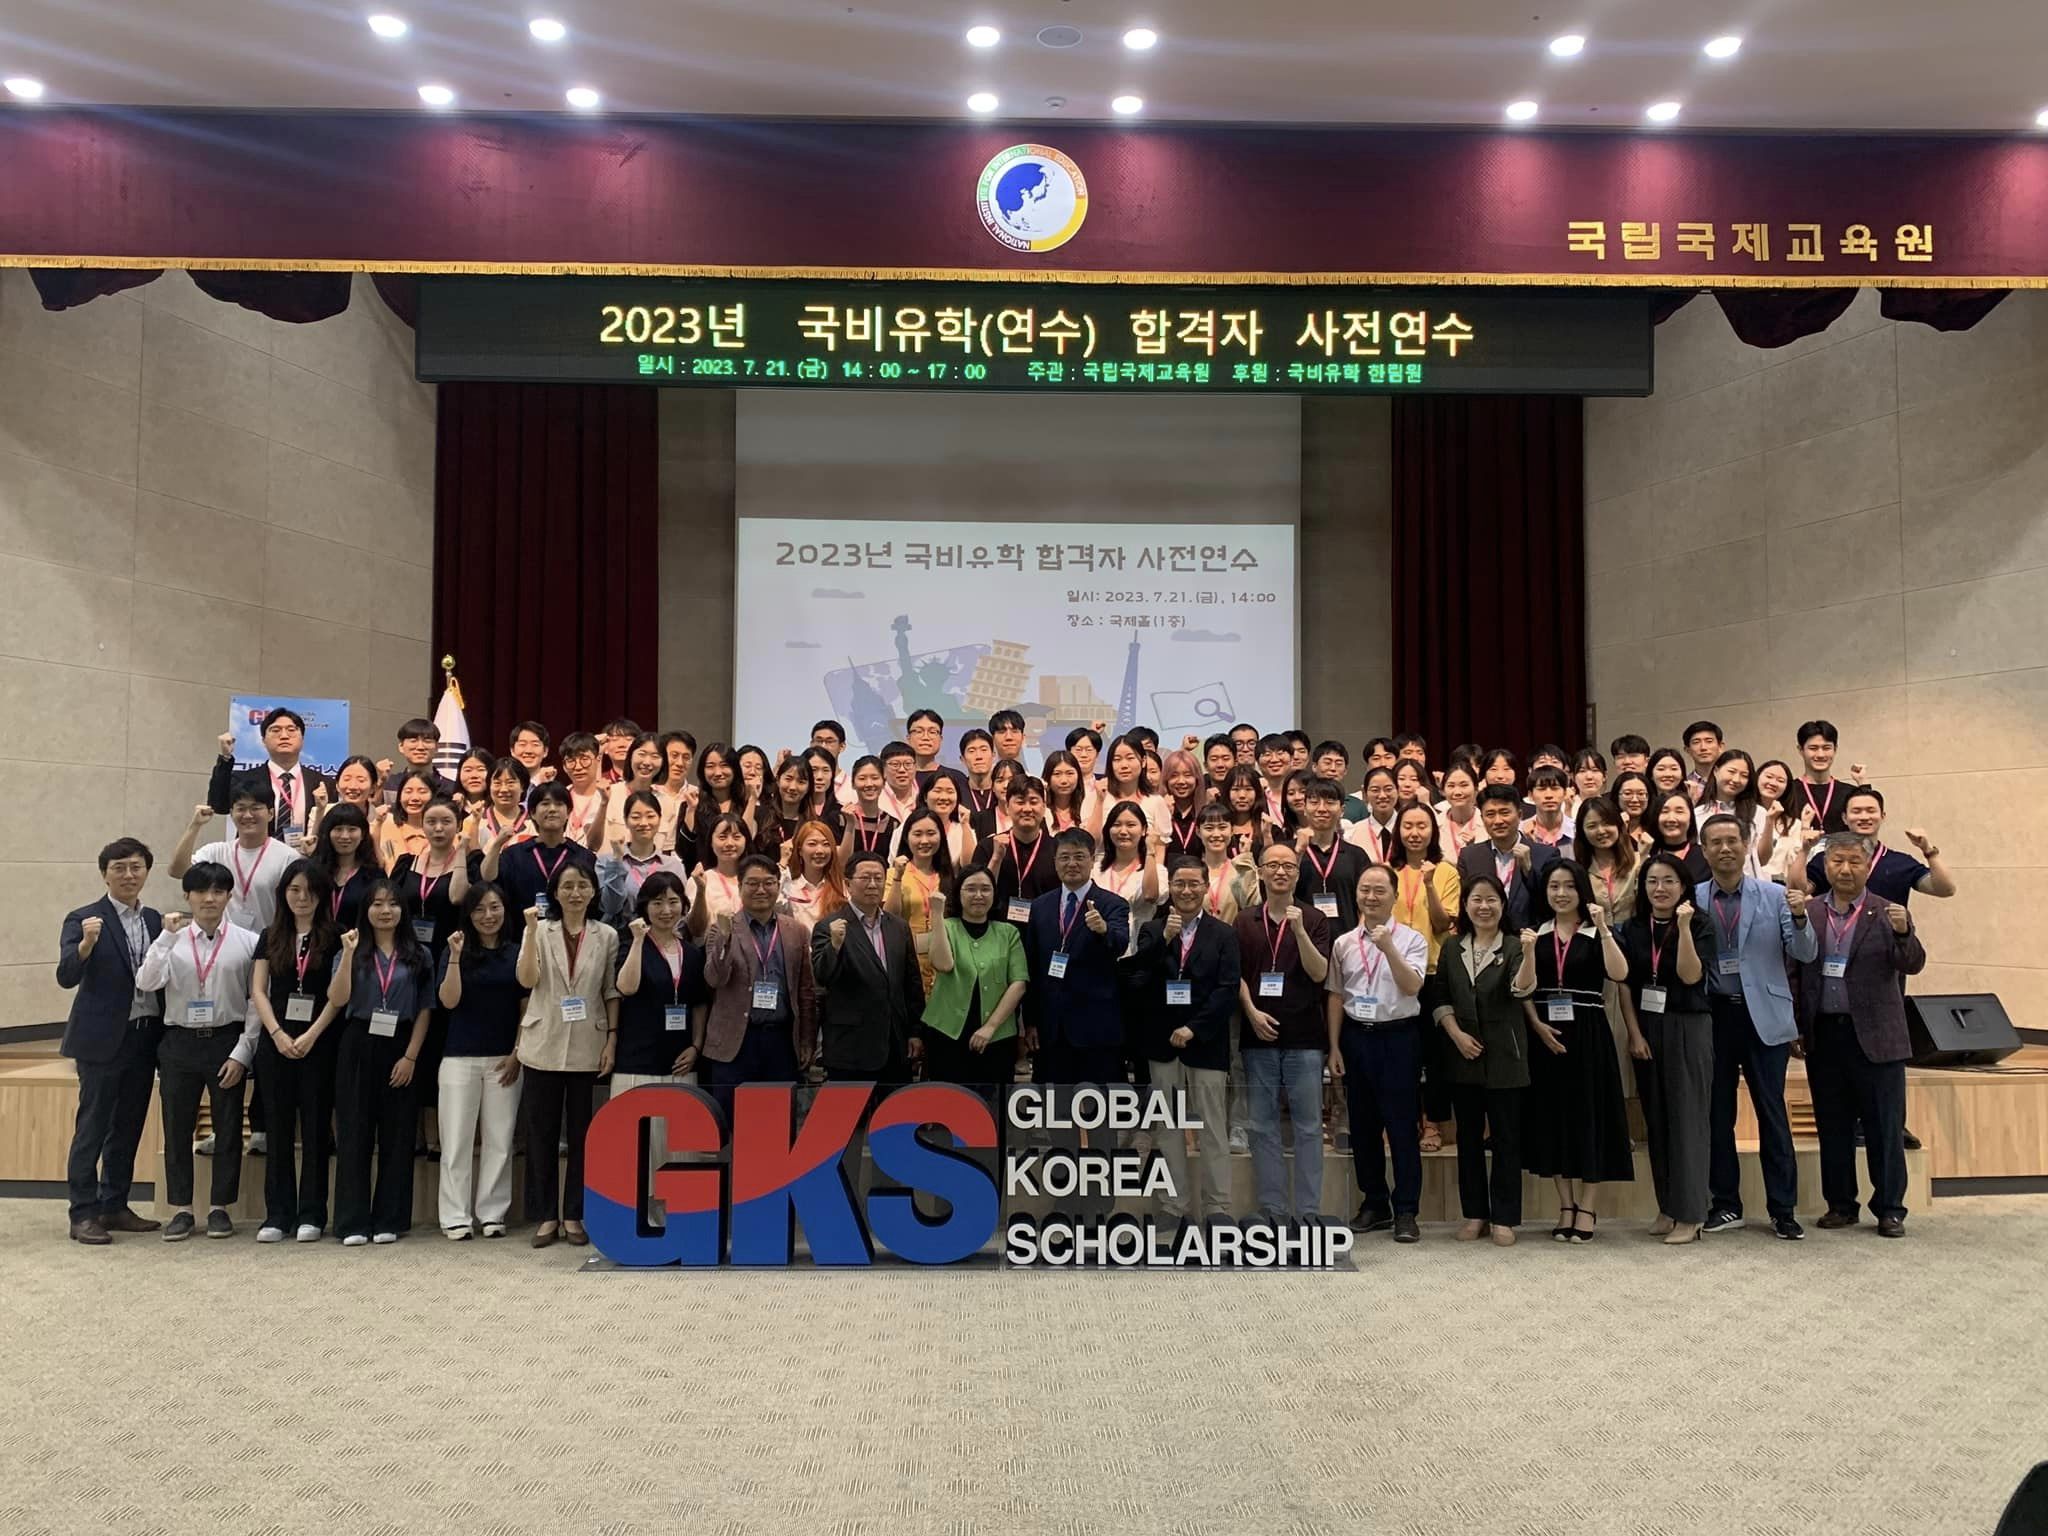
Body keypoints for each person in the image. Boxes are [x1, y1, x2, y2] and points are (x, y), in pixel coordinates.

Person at [1799, 834, 1926, 1238]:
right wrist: (1797, 1026)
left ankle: (1890, 1208)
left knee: (1884, 1127)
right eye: (1837, 861)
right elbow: (1796, 970)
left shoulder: (1888, 911)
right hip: (1825, 1034)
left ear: (1868, 867)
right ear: (1825, 866)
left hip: (1877, 1037)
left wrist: (1904, 933)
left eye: (1855, 861)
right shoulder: (1810, 912)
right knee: (1832, 1124)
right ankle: (1840, 1205)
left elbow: (1913, 964)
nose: (1845, 869)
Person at [1697, 812, 1816, 1240]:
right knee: (1718, 1115)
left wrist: (1800, 918)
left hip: (1763, 1014)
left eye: (1732, 840)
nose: (1725, 849)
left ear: (1746, 845)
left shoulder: (1775, 895)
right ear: (1704, 850)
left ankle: (1783, 1209)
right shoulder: (1692, 898)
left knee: (1772, 1113)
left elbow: (1804, 953)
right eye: (1715, 842)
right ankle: (1726, 1204)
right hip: (1714, 1015)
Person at [136, 862, 260, 1240]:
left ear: (228, 896)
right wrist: (164, 938)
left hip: (226, 1040)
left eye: (218, 891)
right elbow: (146, 981)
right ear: (187, 896)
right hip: (179, 1041)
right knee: (176, 1127)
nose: (209, 898)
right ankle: (181, 1209)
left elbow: (256, 1001)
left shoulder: (247, 941)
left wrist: (243, 1052)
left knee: (228, 1128)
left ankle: (221, 1207)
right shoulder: (171, 940)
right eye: (201, 891)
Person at [56, 837, 165, 1244]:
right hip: (101, 1041)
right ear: (105, 874)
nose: (128, 875)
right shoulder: (83, 918)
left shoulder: (154, 920)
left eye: (136, 867)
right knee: (93, 1128)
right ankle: (83, 1213)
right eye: (119, 868)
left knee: (128, 1127)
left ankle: (114, 1205)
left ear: (146, 872)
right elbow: (66, 975)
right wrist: (85, 946)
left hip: (144, 1037)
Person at [1519, 860, 1633, 1243]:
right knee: (1554, 1119)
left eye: (1569, 886)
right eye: (1554, 886)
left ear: (1581, 890)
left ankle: (1588, 1206)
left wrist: (1604, 928)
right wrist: (1536, 1025)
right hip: (1546, 1032)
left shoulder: (1594, 931)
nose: (1561, 893)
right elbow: (1523, 989)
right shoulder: (1537, 933)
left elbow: (1619, 973)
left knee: (1590, 1116)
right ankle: (1565, 1205)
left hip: (1588, 1032)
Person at [514, 860, 619, 1248]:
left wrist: (611, 1040)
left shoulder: (606, 935)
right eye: (568, 886)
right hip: (543, 1042)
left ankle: (574, 1213)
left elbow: (611, 990)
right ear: (555, 893)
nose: (576, 892)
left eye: (583, 885)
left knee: (582, 1136)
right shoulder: (539, 929)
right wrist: (529, 932)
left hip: (588, 1044)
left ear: (593, 891)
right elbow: (527, 979)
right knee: (540, 1134)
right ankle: (546, 1215)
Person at [1613, 854, 1716, 1244]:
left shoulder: (1700, 924)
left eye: (1669, 881)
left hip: (1688, 1025)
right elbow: (1625, 984)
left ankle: (1692, 1214)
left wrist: (1684, 928)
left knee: (1687, 1120)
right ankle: (1668, 1206)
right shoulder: (1634, 928)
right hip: (1647, 1027)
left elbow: (1691, 976)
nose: (1660, 888)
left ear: (1684, 886)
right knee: (1657, 1122)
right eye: (1653, 881)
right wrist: (1634, 1034)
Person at [1135, 856, 1241, 1236]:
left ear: (1206, 886)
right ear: (1170, 887)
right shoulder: (1152, 929)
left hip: (1205, 1043)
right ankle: (1173, 1205)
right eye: (1179, 883)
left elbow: (1227, 989)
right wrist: (1163, 940)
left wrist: (1194, 1028)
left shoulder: (1223, 934)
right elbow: (1137, 979)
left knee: (1212, 1127)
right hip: (1162, 1043)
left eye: (1194, 883)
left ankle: (1217, 1207)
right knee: (1167, 1127)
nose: (1186, 890)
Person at [1326, 864, 1431, 1241]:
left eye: (1379, 890)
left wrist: (1387, 947)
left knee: (1401, 1127)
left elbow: (1411, 986)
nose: (1371, 897)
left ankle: (1406, 1210)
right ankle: (1375, 1203)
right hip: (1357, 1038)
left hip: (1398, 1038)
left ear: (1394, 896)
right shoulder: (1344, 943)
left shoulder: (1412, 940)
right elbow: (1337, 995)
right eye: (1365, 890)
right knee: (1363, 1127)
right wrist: (1334, 1046)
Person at [326, 878, 432, 1246]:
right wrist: (348, 955)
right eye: (377, 904)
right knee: (354, 1133)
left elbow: (425, 1009)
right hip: (358, 1041)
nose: (385, 911)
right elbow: (337, 998)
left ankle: (390, 1218)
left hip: (401, 1044)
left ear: (403, 910)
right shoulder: (351, 948)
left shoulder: (419, 954)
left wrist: (411, 1056)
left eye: (392, 903)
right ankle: (352, 1221)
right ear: (366, 910)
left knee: (398, 1135)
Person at [1234, 843, 1332, 1226]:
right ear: (1260, 871)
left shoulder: (1314, 918)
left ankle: (1307, 1212)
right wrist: (1251, 1012)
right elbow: (1237, 975)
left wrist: (1299, 931)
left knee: (1308, 1128)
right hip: (1257, 1037)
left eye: (1288, 865)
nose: (1280, 871)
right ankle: (1273, 1209)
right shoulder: (1244, 920)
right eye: (1272, 865)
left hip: (1305, 1038)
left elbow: (1319, 972)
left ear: (1297, 872)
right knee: (1262, 1126)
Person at [1432, 875, 1532, 1245]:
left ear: (1503, 905)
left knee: (1506, 1139)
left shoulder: (1515, 946)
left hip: (1506, 1056)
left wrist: (1530, 954)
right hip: (1463, 1056)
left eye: (1491, 899)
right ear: (1466, 905)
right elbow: (1440, 996)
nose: (1484, 906)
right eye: (1476, 899)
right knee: (1468, 1139)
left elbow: (1522, 989)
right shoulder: (1452, 946)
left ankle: (1504, 1217)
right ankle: (1476, 1213)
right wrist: (1456, 1034)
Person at [248, 860, 343, 1243]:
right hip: (277, 1043)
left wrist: (312, 1035)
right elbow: (258, 990)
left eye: (310, 891)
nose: (302, 898)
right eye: (294, 890)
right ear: (283, 894)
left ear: (323, 895)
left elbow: (339, 995)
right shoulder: (270, 935)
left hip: (320, 1042)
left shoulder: (337, 937)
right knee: (278, 1129)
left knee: (317, 1129)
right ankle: (278, 1214)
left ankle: (312, 1214)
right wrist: (276, 1033)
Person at [435, 882, 526, 1239]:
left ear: (505, 910)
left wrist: (517, 1053)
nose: (488, 916)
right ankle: (455, 1216)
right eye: (479, 909)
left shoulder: (517, 952)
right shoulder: (454, 949)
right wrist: (455, 957)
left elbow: (526, 1007)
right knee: (456, 1140)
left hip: (504, 1058)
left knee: (500, 1140)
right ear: (468, 914)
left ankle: (492, 1214)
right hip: (459, 1058)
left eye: (494, 907)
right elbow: (449, 1001)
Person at [700, 855, 817, 1114]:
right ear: (740, 886)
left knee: (778, 1121)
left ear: (778, 885)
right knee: (732, 1122)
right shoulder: (721, 929)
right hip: (736, 1043)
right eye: (752, 883)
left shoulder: (796, 931)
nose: (761, 890)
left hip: (781, 1041)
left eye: (768, 882)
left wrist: (806, 1039)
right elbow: (714, 979)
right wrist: (725, 939)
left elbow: (806, 991)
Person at [1022, 829, 1132, 1090]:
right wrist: (1031, 1021)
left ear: (1092, 860)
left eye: (1079, 857)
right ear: (1055, 862)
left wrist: (1103, 930)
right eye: (1065, 857)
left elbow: (1120, 944)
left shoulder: (1112, 904)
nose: (1071, 863)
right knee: (1056, 1106)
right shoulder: (1040, 906)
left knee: (1100, 1106)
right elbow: (1032, 966)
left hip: (1096, 1027)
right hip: (1051, 1028)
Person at [812, 849, 925, 1084]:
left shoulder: (898, 927)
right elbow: (822, 977)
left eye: (878, 878)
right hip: (851, 1048)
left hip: (895, 1044)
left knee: (896, 1107)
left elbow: (911, 983)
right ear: (848, 884)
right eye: (865, 878)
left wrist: (915, 1031)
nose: (873, 884)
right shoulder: (829, 926)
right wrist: (834, 946)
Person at [1387, 804, 1459, 1154]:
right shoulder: (1388, 870)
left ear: (1433, 830)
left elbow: (1444, 924)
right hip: (1395, 973)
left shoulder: (1446, 871)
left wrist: (1429, 884)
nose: (1414, 833)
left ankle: (1432, 1122)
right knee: (1401, 1054)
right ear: (1398, 831)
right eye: (1408, 826)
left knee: (1434, 1054)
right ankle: (1402, 1121)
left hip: (1433, 972)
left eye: (1422, 826)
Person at [921, 864, 1029, 1093]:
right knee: (948, 1101)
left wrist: (990, 1027)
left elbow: (1018, 984)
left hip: (997, 1035)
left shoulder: (1008, 933)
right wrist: (937, 914)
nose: (978, 895)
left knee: (992, 1103)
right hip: (947, 1032)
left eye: (985, 889)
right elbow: (943, 964)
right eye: (970, 889)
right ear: (958, 894)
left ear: (994, 894)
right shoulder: (946, 927)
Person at [612, 872, 709, 1093]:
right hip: (637, 1062)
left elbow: (699, 1004)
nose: (666, 910)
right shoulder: (631, 945)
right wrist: (638, 939)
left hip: (681, 1063)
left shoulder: (692, 954)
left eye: (673, 902)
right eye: (657, 903)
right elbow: (626, 987)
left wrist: (696, 1046)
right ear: (645, 907)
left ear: (683, 905)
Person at [172, 775, 297, 935]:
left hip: (269, 944)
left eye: (255, 808)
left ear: (271, 813)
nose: (248, 815)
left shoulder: (288, 858)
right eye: (241, 808)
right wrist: (195, 825)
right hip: (224, 944)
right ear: (231, 813)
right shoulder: (216, 852)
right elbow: (178, 871)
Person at [1801, 787, 1957, 906]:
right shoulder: (1827, 859)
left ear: (1882, 816)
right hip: (1835, 938)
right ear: (1844, 818)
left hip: (1887, 938)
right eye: (1856, 811)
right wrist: (1804, 849)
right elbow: (1799, 889)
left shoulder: (1900, 863)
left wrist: (1929, 851)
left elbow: (1946, 890)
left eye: (1871, 811)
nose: (1864, 817)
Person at [208, 707, 331, 842]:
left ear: (302, 739)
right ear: (263, 740)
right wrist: (225, 758)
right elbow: (219, 806)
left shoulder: (322, 783)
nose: (284, 736)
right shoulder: (245, 779)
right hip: (256, 853)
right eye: (276, 730)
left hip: (306, 854)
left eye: (291, 730)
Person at [480, 783, 596, 918]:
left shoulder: (584, 857)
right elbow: (487, 877)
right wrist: (497, 845)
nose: (552, 809)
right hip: (523, 929)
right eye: (545, 804)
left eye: (559, 804)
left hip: (569, 929)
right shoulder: (514, 855)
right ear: (533, 813)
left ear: (568, 812)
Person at [1456, 784, 1558, 934]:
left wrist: (1529, 871)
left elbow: (1551, 905)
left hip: (1529, 939)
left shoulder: (1545, 855)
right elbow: (1465, 906)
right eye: (1490, 814)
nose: (1498, 821)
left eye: (1504, 813)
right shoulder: (1470, 856)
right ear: (1482, 819)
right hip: (1484, 938)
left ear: (1520, 814)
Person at [884, 809, 954, 995]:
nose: (924, 840)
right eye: (917, 834)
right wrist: (898, 877)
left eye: (931, 833)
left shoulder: (949, 876)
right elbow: (889, 916)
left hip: (943, 959)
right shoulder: (893, 874)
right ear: (906, 838)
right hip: (906, 958)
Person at [596, 790, 689, 925]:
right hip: (620, 935)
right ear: (626, 821)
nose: (644, 823)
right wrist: (617, 860)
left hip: (662, 934)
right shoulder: (606, 862)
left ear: (659, 819)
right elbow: (611, 907)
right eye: (636, 817)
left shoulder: (673, 866)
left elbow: (681, 911)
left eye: (650, 816)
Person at [976, 775, 1060, 922]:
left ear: (1044, 807)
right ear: (1007, 807)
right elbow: (976, 893)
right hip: (997, 928)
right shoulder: (988, 847)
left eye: (1033, 802)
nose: (1027, 809)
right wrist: (996, 859)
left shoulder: (1058, 850)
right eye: (1020, 802)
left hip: (1044, 928)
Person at [1296, 777, 1371, 935]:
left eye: (1330, 803)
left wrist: (1358, 938)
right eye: (1314, 802)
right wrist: (1298, 853)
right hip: (1300, 940)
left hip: (1346, 941)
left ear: (1342, 810)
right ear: (1304, 807)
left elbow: (1368, 901)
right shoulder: (1289, 852)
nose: (1322, 809)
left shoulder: (1356, 856)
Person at [1694, 749, 1776, 877]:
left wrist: (1770, 821)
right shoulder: (1698, 813)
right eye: (1731, 772)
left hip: (1749, 882)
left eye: (1744, 775)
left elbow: (1763, 859)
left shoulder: (1758, 812)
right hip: (1707, 882)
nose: (1736, 779)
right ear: (1716, 771)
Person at [310, 803, 383, 931]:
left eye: (352, 829)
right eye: (338, 829)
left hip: (358, 942)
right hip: (317, 941)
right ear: (328, 833)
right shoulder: (314, 871)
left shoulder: (374, 876)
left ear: (363, 834)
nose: (344, 836)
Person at [603, 733, 678, 852]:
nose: (647, 762)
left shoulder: (668, 803)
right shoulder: (609, 794)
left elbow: (667, 851)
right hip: (613, 863)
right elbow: (593, 843)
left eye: (655, 756)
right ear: (630, 756)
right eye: (642, 754)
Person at [1787, 720, 1864, 835]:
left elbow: (1866, 823)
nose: (1820, 754)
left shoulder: (1849, 792)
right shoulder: (1788, 792)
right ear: (1800, 750)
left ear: (1835, 749)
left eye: (1826, 748)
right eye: (1813, 748)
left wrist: (1862, 783)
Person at [685, 813, 753, 938]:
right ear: (711, 842)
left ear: (746, 840)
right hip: (713, 948)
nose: (729, 843)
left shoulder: (755, 880)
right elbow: (696, 930)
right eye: (722, 837)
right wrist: (701, 890)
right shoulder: (700, 880)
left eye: (736, 837)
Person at [779, 818, 847, 930]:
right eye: (812, 844)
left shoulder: (841, 888)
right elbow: (773, 906)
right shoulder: (788, 887)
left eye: (826, 844)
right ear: (800, 850)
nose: (819, 850)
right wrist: (783, 861)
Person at [464, 757, 532, 856]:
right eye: (497, 783)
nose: (504, 789)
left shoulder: (535, 822)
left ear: (523, 786)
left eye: (510, 783)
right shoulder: (472, 821)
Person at [556, 732, 610, 849]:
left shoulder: (611, 797)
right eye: (571, 761)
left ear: (598, 759)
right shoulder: (557, 797)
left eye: (585, 759)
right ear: (564, 766)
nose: (578, 767)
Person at [1648, 788, 1711, 885]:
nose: (1671, 819)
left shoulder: (1705, 857)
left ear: (1691, 817)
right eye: (1665, 811)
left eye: (1679, 811)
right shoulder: (1648, 854)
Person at [1342, 767, 1401, 862]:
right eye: (1375, 790)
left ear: (1398, 791)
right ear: (1364, 794)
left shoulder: (1407, 829)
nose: (1382, 796)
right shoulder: (1353, 833)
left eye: (1388, 789)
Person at [1435, 761, 1483, 860]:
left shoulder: (1487, 823)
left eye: (1464, 785)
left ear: (1476, 789)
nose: (1457, 792)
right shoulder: (1435, 823)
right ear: (1442, 791)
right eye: (1451, 786)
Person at [1681, 721, 1724, 801]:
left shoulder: (1731, 781)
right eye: (1696, 742)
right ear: (1687, 750)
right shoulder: (1684, 786)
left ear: (1720, 746)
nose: (1703, 747)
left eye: (1709, 741)